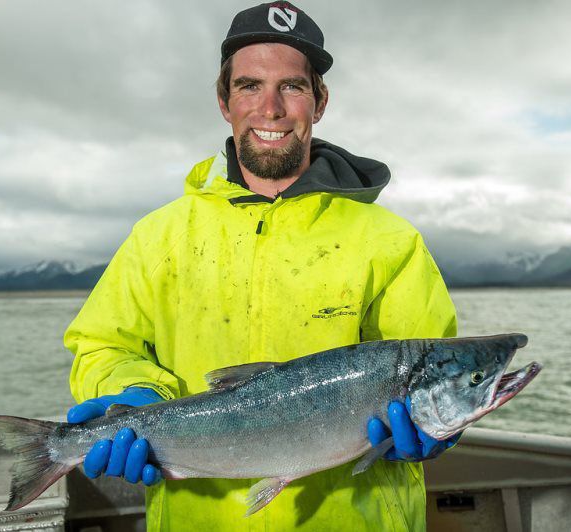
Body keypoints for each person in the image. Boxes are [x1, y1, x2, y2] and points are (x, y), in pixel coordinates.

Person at [64, 2, 458, 530]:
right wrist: (136, 395)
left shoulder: (390, 241)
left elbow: (435, 373)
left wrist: (440, 428)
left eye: (292, 87)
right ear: (224, 102)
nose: (270, 108)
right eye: (249, 86)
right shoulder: (159, 235)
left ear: (320, 102)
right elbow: (102, 345)